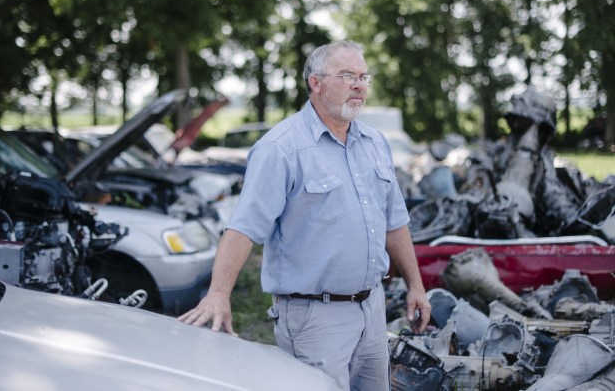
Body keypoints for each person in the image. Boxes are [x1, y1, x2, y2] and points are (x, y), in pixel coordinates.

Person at [178, 40, 430, 390]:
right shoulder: (281, 148)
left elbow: (395, 222)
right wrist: (219, 292)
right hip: (314, 318)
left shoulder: (375, 143)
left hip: (372, 308)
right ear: (316, 83)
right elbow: (243, 228)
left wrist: (416, 285)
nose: (359, 85)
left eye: (363, 77)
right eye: (347, 75)